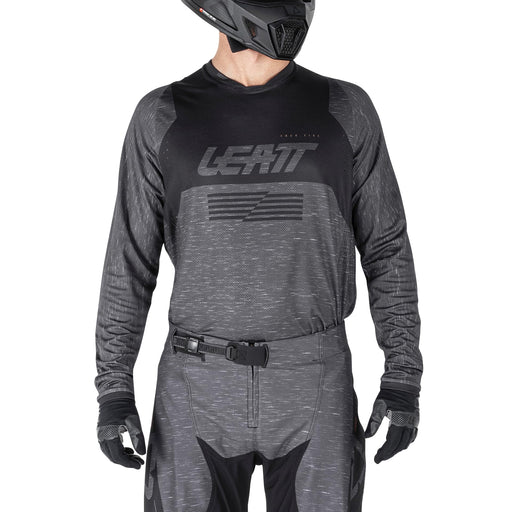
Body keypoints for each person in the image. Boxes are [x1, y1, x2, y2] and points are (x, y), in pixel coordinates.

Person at [94, 1, 423, 511]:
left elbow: (387, 246)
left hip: (313, 377)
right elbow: (129, 260)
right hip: (196, 385)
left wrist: (402, 375)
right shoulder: (162, 116)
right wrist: (114, 389)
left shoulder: (345, 109)